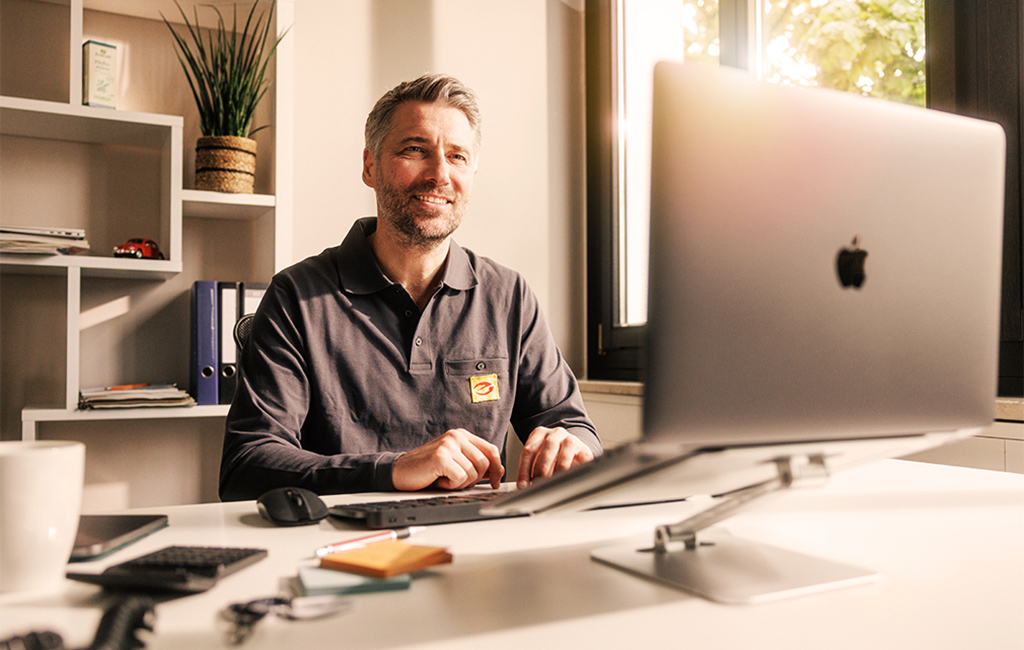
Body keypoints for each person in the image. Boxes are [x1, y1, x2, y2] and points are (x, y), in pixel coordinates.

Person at [219, 74, 601, 501]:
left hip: (477, 544)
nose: (439, 174)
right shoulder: (297, 296)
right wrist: (395, 468)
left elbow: (574, 425)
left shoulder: (509, 297)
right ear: (370, 165)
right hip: (338, 549)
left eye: (457, 156)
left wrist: (570, 444)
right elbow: (247, 465)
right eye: (415, 150)